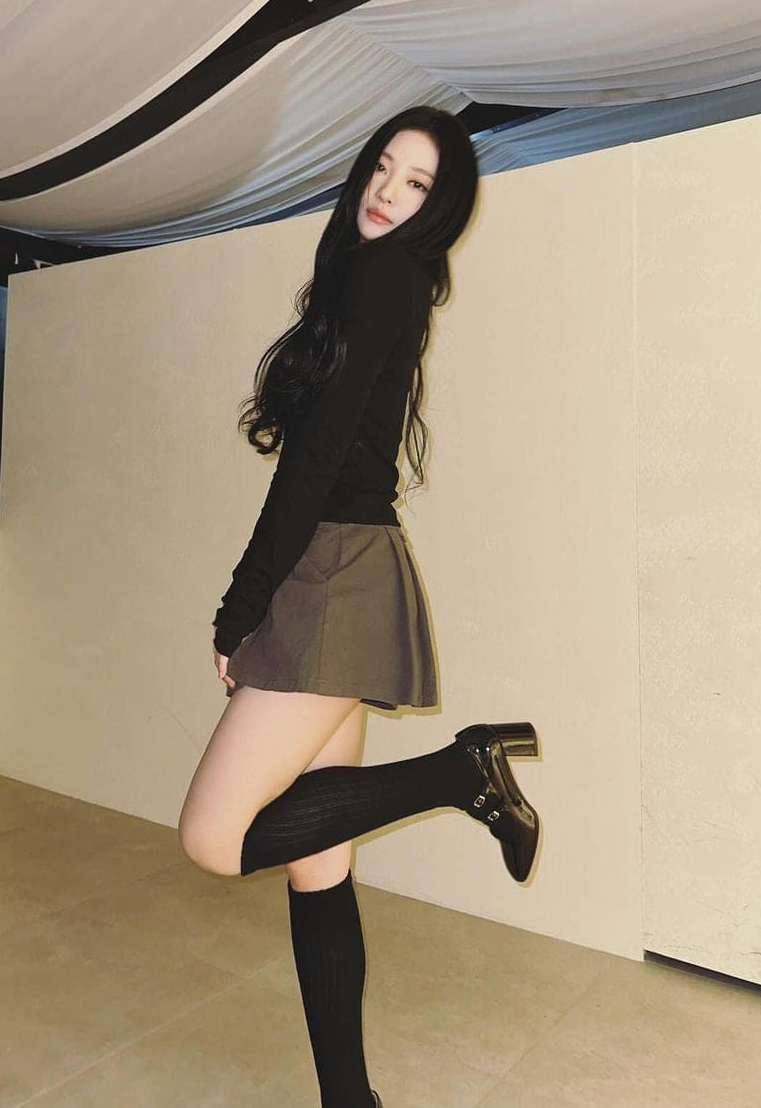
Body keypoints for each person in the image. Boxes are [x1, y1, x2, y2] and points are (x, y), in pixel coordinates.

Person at [179, 106, 540, 1108]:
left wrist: (240, 606)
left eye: (416, 182)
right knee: (319, 863)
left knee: (214, 837)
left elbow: (318, 460)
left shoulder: (383, 277)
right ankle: (351, 1099)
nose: (387, 189)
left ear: (440, 207)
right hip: (346, 561)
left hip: (332, 568)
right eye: (384, 166)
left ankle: (461, 771)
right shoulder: (377, 278)